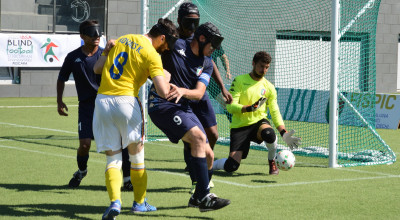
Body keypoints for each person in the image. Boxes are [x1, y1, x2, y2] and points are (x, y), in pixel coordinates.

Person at [92, 18, 178, 220]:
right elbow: (163, 91)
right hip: (126, 103)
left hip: (103, 101)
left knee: (113, 159)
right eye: (167, 45)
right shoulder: (151, 54)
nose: (166, 49)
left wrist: (105, 52)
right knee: (136, 157)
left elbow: (97, 69)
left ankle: (115, 202)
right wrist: (168, 79)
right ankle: (139, 203)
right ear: (162, 38)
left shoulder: (121, 40)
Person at [148, 22, 230, 212]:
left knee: (209, 155)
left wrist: (183, 91)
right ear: (201, 39)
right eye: (213, 46)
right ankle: (204, 196)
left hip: (184, 106)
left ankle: (197, 198)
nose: (215, 51)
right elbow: (150, 46)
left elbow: (199, 93)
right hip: (162, 104)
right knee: (199, 138)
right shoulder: (176, 45)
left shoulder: (207, 64)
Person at [56, 20, 132, 190]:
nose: (96, 36)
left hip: (108, 104)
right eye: (91, 33)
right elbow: (61, 79)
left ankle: (127, 180)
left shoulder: (107, 54)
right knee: (84, 145)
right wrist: (59, 101)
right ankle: (82, 171)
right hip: (86, 107)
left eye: (98, 33)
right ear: (82, 35)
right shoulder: (73, 57)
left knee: (121, 142)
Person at [212, 51, 301, 175]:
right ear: (253, 63)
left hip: (258, 123)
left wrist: (283, 132)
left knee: (269, 134)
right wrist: (248, 108)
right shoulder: (239, 81)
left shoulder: (269, 87)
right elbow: (230, 107)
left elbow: (275, 111)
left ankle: (272, 161)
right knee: (231, 166)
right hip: (240, 126)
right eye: (261, 66)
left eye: (266, 67)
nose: (263, 70)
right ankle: (208, 165)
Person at [176, 2, 233, 194]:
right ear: (179, 20)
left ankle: (203, 165)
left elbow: (209, 63)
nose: (192, 26)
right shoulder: (171, 39)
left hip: (199, 94)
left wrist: (223, 87)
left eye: (196, 22)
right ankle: (196, 180)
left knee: (213, 134)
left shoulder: (198, 38)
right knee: (190, 139)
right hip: (181, 98)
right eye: (188, 22)